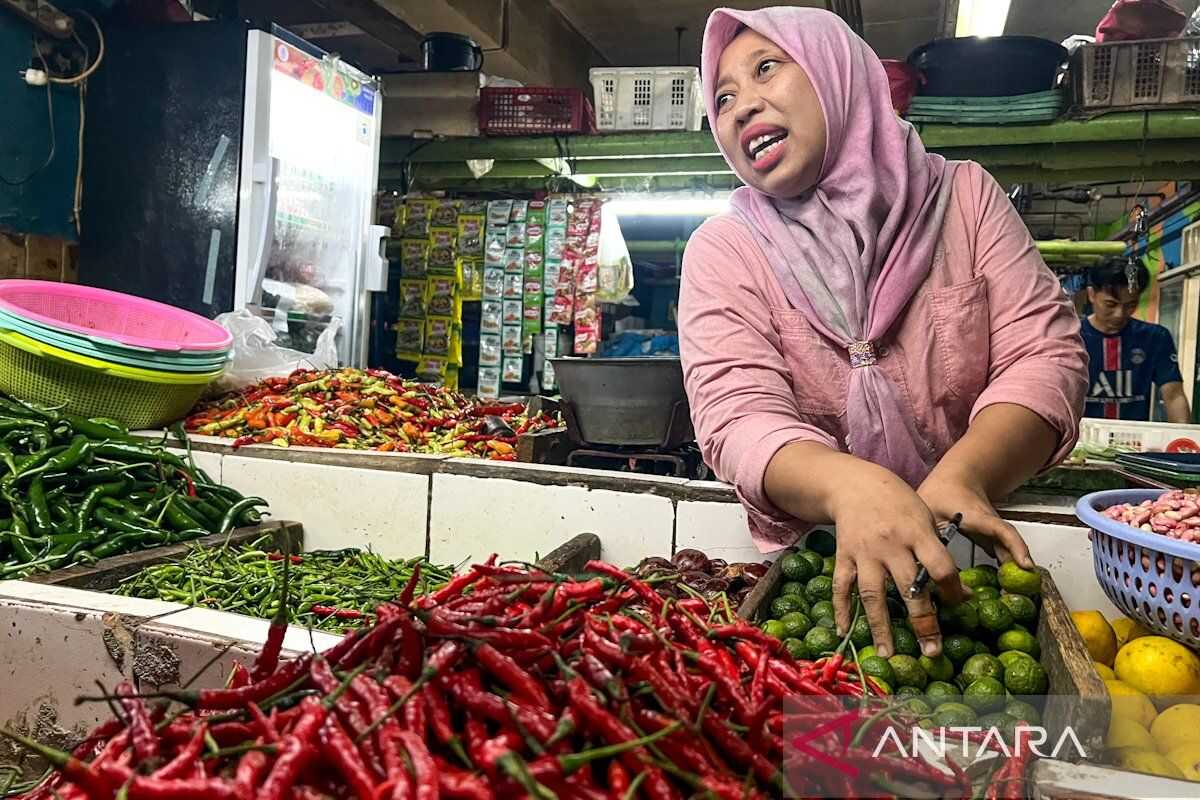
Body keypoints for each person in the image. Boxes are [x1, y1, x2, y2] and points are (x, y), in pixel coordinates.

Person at [677, 7, 1089, 659]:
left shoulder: (966, 200)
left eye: (765, 70)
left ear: (835, 74)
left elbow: (1045, 358)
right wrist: (848, 486)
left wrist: (966, 475)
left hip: (980, 556)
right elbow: (736, 414)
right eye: (722, 96)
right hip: (822, 583)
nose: (741, 106)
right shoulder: (726, 250)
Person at [1082, 257, 1191, 423]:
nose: (1120, 314)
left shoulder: (1154, 337)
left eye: (1130, 305)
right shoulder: (1071, 338)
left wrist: (1184, 443)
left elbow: (1174, 396)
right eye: (1111, 304)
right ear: (1092, 295)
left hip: (1135, 441)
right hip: (1080, 438)